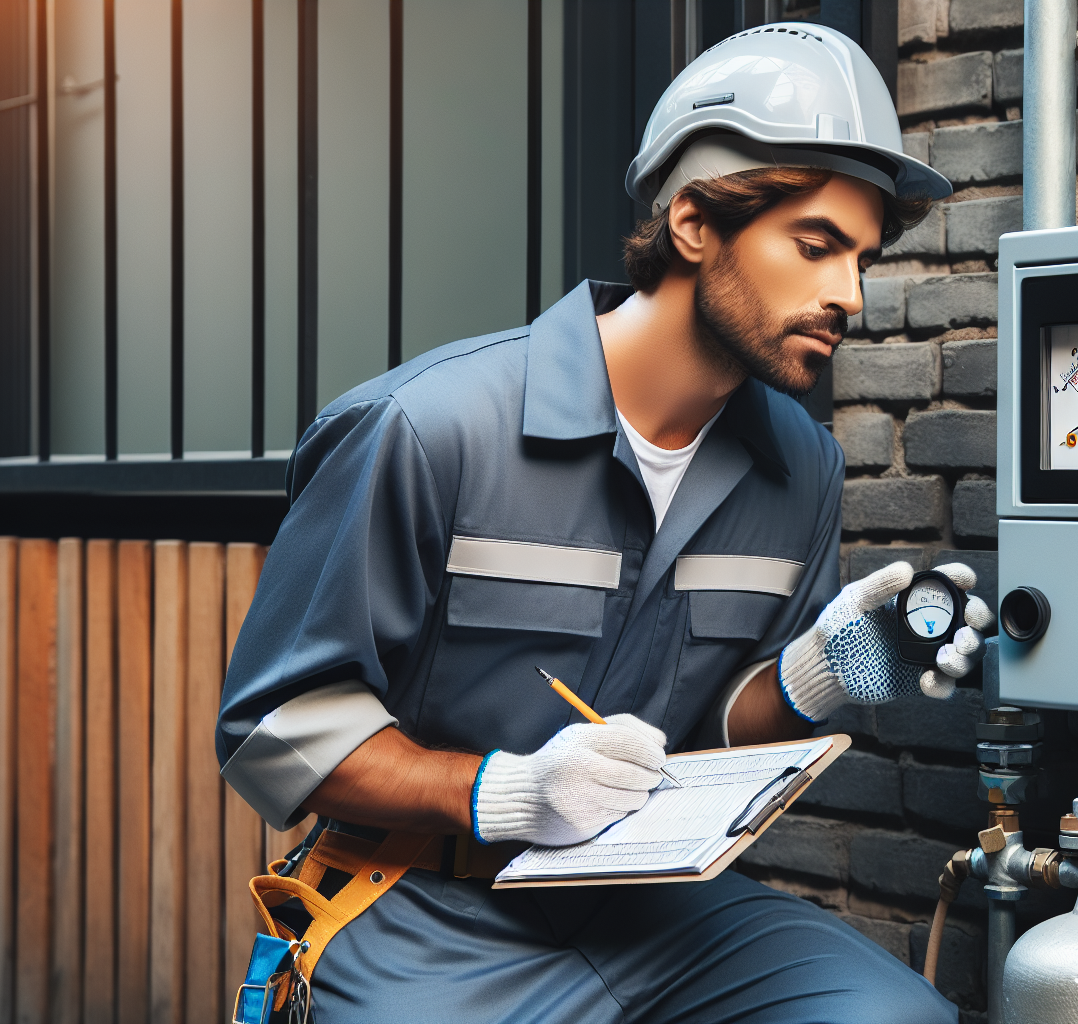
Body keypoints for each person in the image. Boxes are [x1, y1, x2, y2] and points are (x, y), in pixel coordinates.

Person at [217, 22, 991, 1022]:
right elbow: (275, 728)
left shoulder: (801, 465)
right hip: (420, 902)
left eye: (862, 257)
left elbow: (711, 735)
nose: (848, 293)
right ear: (692, 223)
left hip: (653, 906)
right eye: (813, 245)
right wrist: (509, 790)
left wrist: (816, 676)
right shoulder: (428, 429)